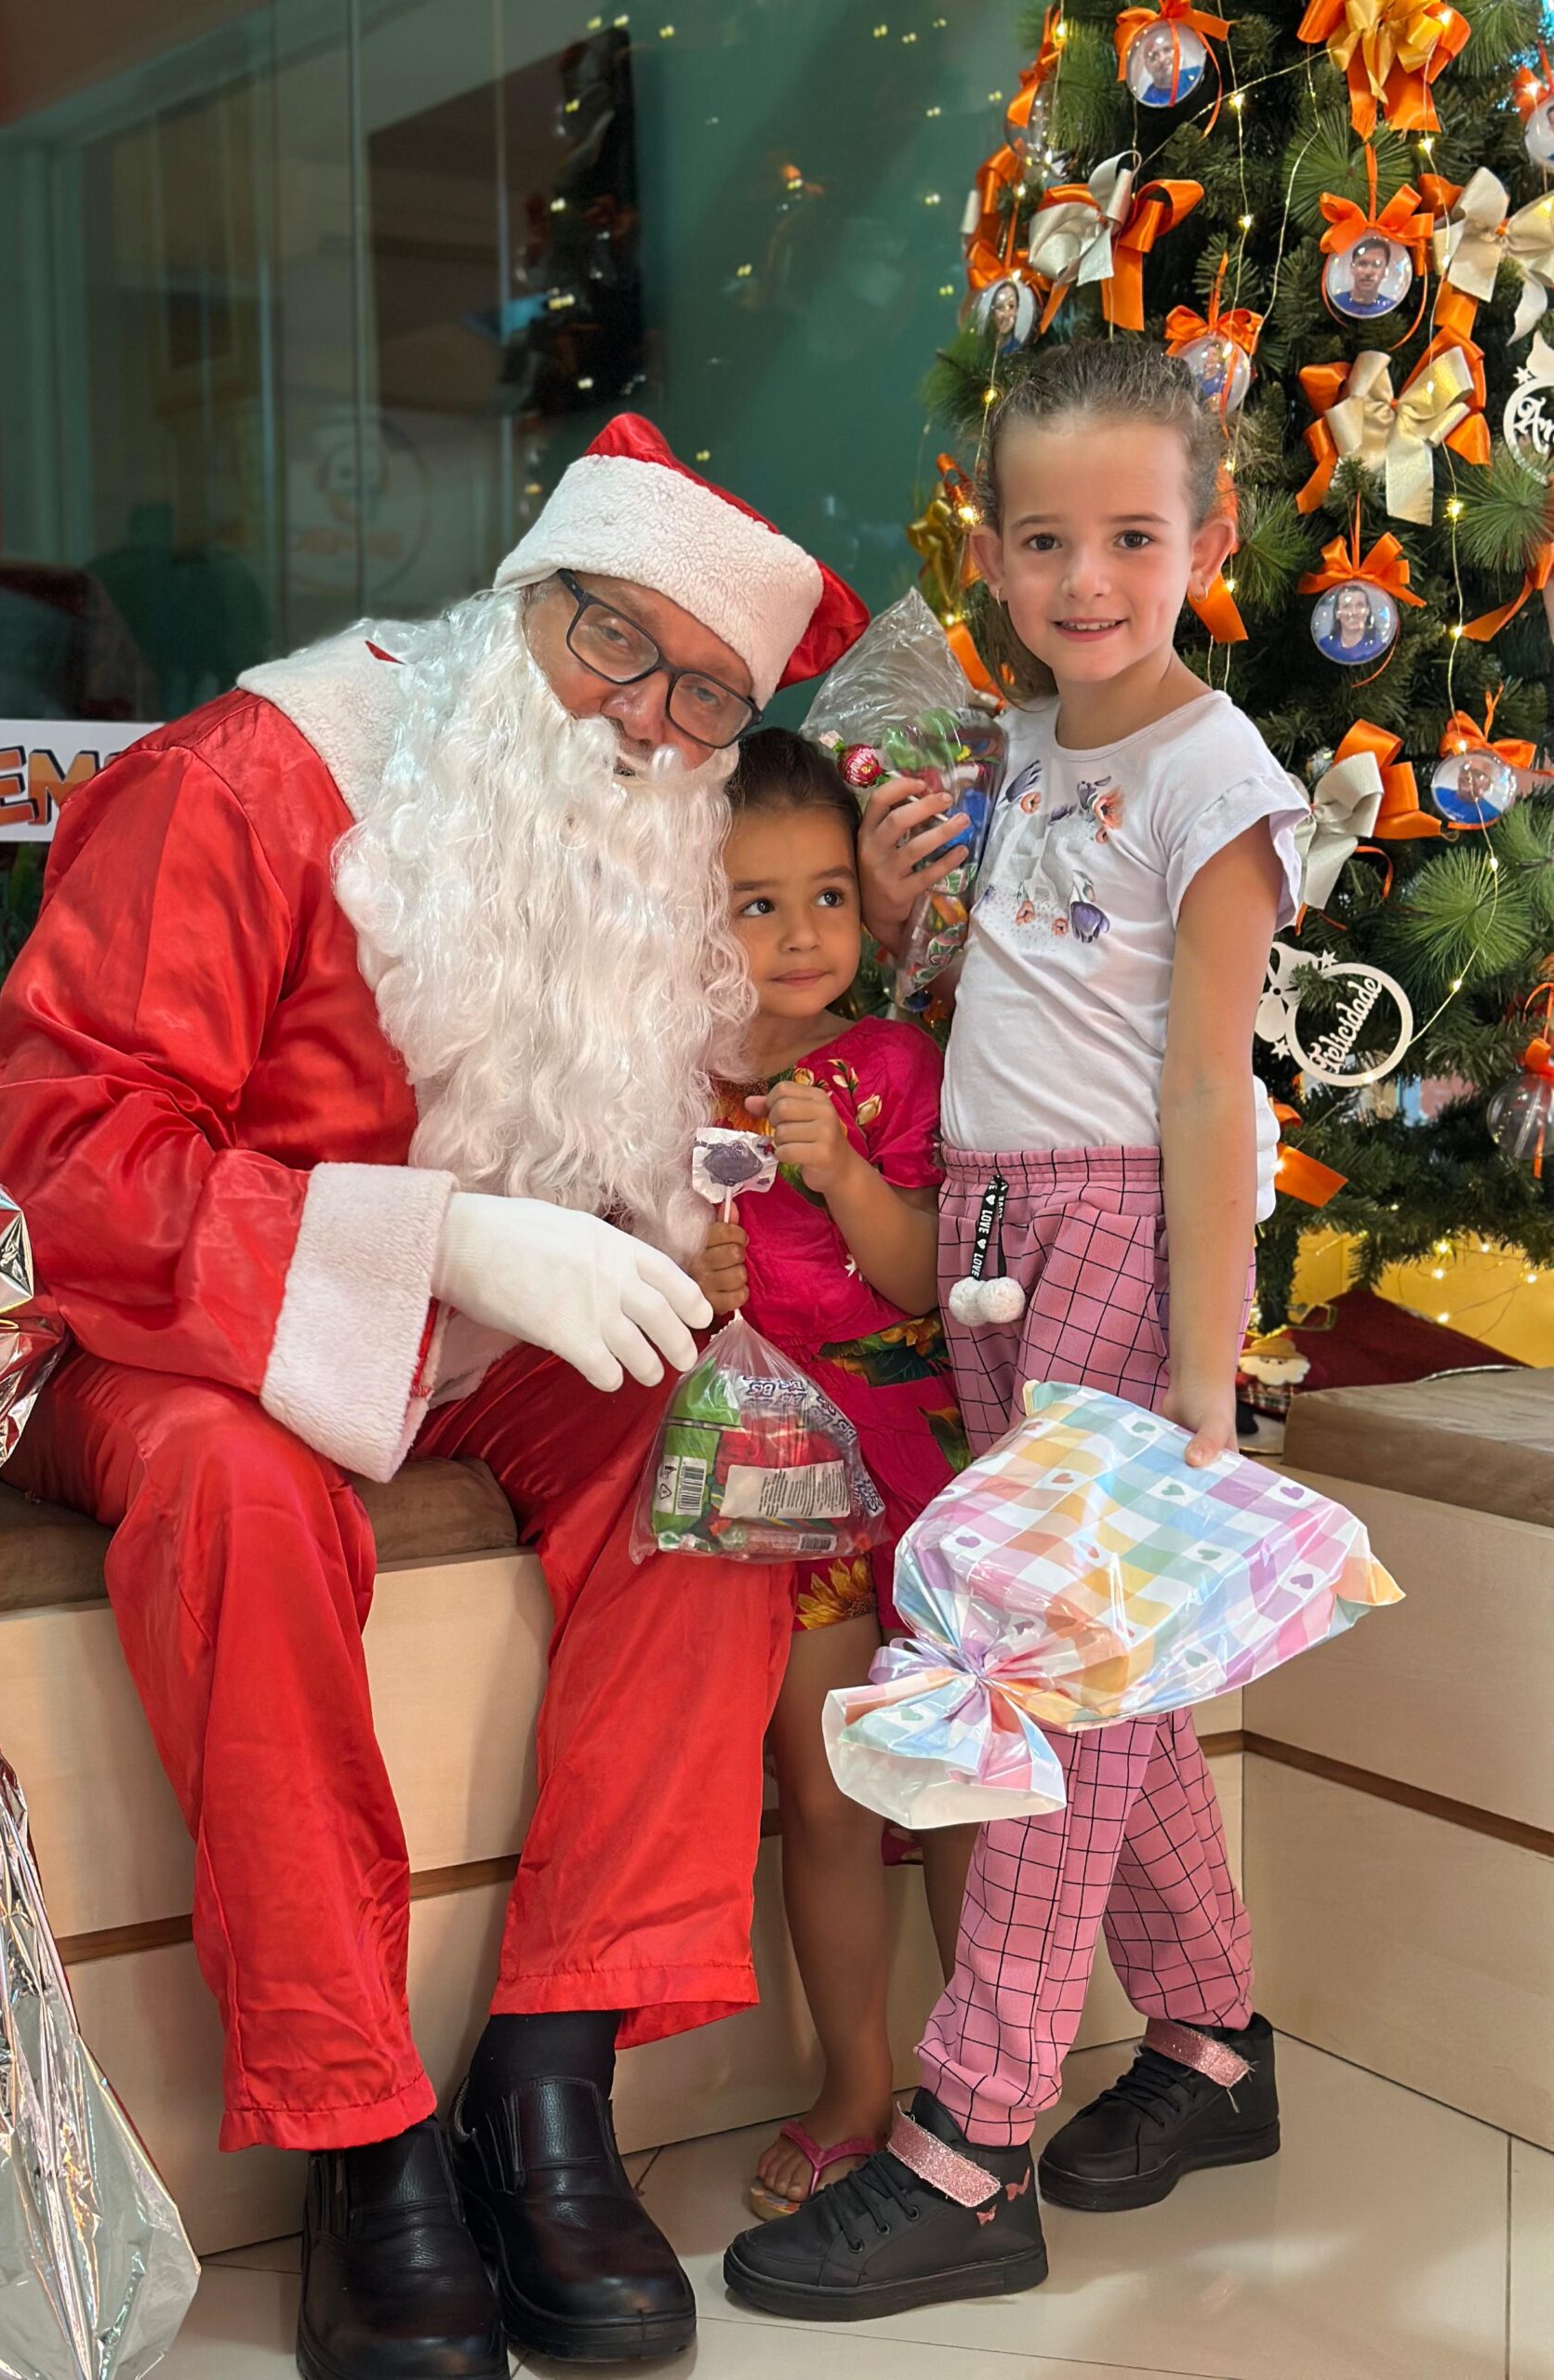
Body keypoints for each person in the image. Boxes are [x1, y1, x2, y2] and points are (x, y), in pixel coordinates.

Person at [0, 414, 870, 2380]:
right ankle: (357, 2129)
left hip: (462, 1350)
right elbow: (56, 1162)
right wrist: (444, 1242)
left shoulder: (657, 829)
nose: (637, 716)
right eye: (607, 638)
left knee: (727, 1445)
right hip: (170, 1332)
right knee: (238, 1495)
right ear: (522, 595)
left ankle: (549, 2082)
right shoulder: (248, 778)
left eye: (702, 694)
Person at [724, 339, 1306, 2318]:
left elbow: (1209, 1090)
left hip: (1121, 1234)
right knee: (1099, 1674)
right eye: (1046, 540)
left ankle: (969, 2146)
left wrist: (1201, 1384)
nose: (1087, 577)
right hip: (984, 1224)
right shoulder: (1029, 746)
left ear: (1211, 540)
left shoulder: (1216, 779)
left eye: (1134, 537)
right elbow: (1012, 992)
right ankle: (1212, 2041)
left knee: (1048, 1680)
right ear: (989, 552)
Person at [685, 730, 973, 2222]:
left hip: (923, 1471)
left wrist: (845, 1174)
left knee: (953, 1778)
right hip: (785, 1490)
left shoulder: (897, 1067)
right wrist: (695, 1275)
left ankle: (981, 2089)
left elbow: (923, 1274)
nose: (801, 937)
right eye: (756, 904)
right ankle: (856, 2083)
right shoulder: (663, 1089)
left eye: (828, 899)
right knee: (827, 1790)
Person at [1332, 232, 1399, 318]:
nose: (1368, 272)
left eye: (1377, 265)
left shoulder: (1391, 308)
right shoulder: (1336, 302)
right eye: (1362, 264)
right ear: (1352, 268)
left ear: (1385, 271)